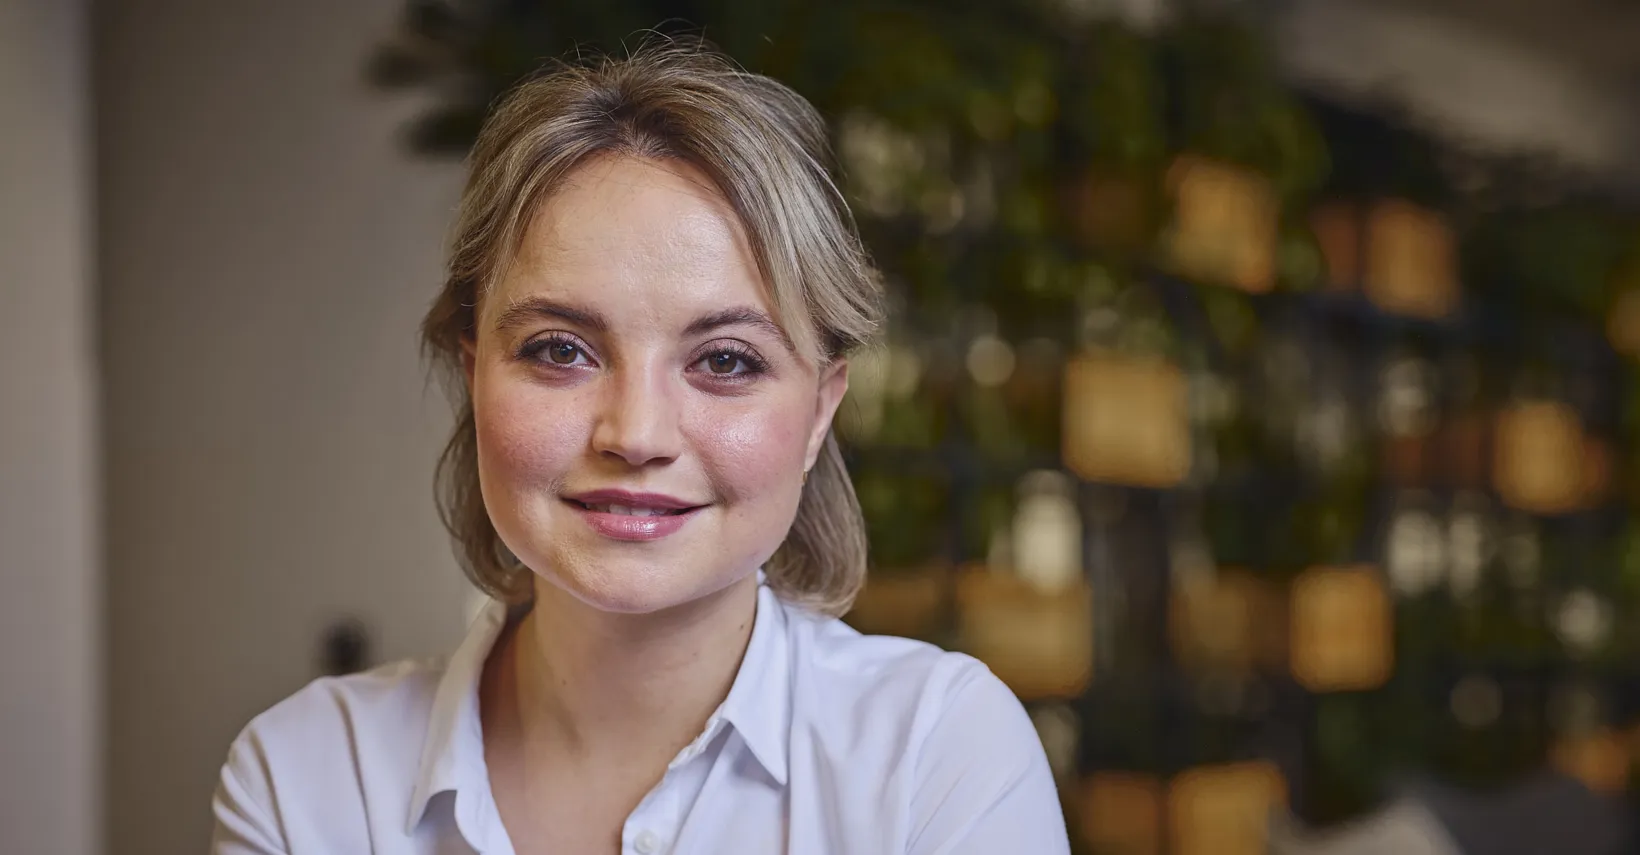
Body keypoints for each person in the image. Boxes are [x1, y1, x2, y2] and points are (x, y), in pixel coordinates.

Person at [210, 41, 1070, 855]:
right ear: (475, 378)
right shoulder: (306, 778)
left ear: (819, 411)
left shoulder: (938, 755)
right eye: (560, 349)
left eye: (726, 360)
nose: (636, 434)